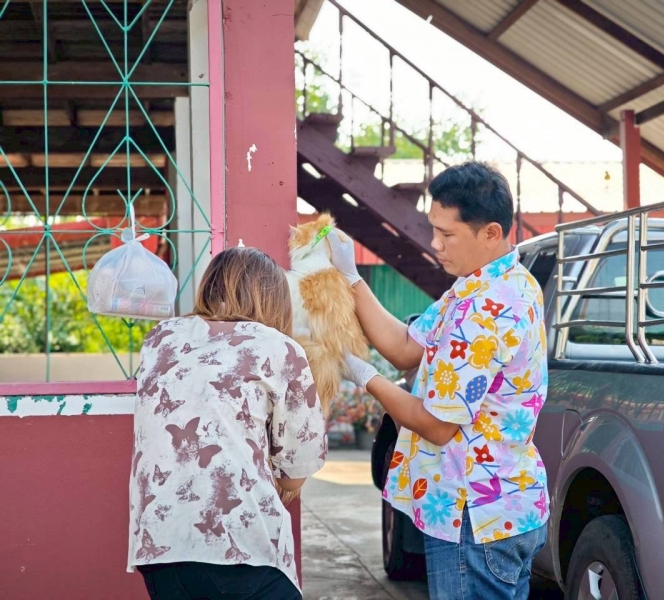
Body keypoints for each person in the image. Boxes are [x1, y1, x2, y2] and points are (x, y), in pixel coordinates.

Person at [328, 161, 549, 599]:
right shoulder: (491, 283)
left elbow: (436, 423)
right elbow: (406, 346)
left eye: (447, 234)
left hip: (474, 516)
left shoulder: (485, 308)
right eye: (434, 229)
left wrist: (364, 375)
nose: (435, 244)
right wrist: (351, 279)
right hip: (503, 506)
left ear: (491, 233)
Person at [127, 247, 327, 600]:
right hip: (241, 546)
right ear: (273, 297)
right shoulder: (278, 348)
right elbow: (295, 471)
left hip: (159, 547)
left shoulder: (160, 339)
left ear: (209, 286)